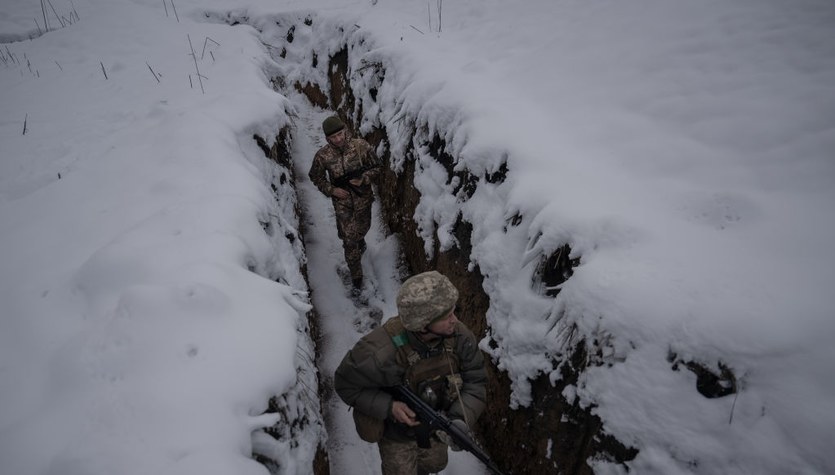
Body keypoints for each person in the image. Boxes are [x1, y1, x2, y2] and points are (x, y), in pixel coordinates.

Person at [334, 271, 488, 475]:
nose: (455, 320)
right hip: (396, 434)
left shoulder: (459, 336)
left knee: (435, 464)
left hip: (436, 425)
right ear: (423, 325)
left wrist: (459, 418)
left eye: (453, 311)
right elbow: (345, 384)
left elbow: (476, 380)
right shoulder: (378, 352)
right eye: (447, 316)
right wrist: (389, 406)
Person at [308, 115, 381, 294]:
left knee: (362, 229)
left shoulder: (361, 147)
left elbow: (378, 167)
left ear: (345, 130)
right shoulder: (323, 156)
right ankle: (357, 276)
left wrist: (364, 179)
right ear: (327, 138)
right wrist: (331, 190)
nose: (338, 139)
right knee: (349, 240)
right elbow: (315, 176)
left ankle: (360, 239)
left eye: (340, 134)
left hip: (363, 199)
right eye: (333, 137)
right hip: (342, 204)